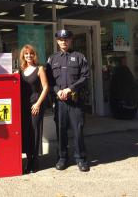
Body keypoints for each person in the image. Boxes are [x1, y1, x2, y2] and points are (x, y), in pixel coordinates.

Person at [46, 30, 90, 172]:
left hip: (76, 101)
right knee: (61, 130)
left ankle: (80, 158)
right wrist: (58, 91)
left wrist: (70, 89)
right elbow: (49, 80)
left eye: (66, 39)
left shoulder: (79, 57)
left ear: (71, 40)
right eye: (60, 39)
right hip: (60, 102)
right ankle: (62, 157)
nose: (63, 41)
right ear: (57, 41)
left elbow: (85, 77)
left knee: (78, 130)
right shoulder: (52, 59)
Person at [19, 44, 49, 173]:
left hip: (35, 106)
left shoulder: (40, 69)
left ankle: (34, 162)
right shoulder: (20, 70)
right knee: (26, 133)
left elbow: (46, 87)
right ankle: (28, 158)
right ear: (23, 56)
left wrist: (38, 104)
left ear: (34, 55)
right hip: (23, 107)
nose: (29, 56)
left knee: (35, 133)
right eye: (26, 54)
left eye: (31, 53)